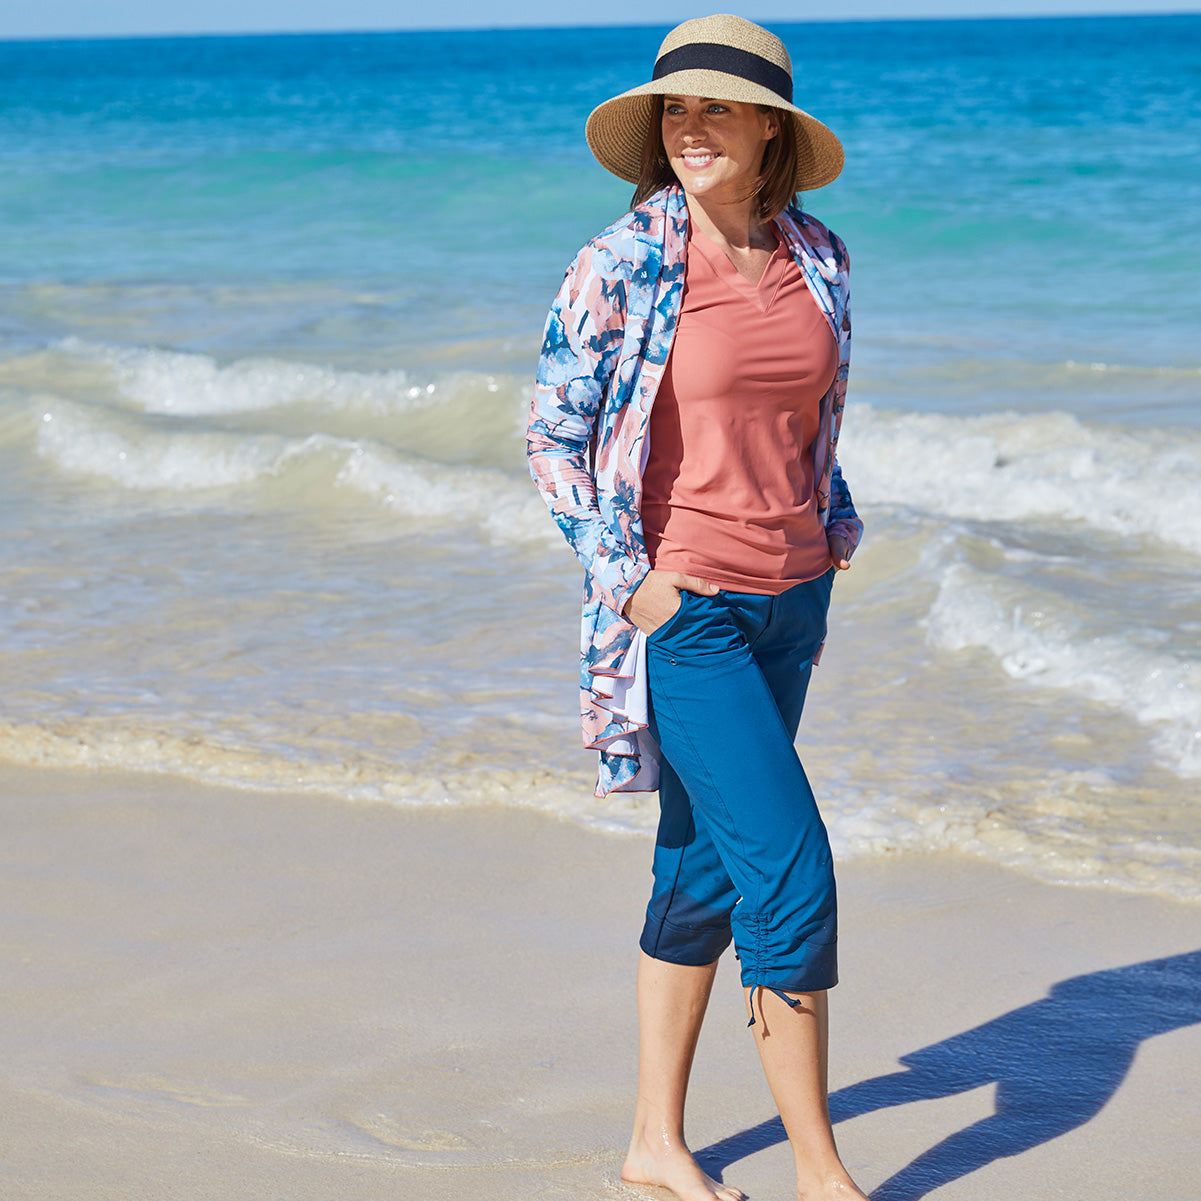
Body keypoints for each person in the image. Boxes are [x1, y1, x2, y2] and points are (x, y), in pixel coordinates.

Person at [527, 14, 867, 1201]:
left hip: (794, 603)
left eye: (717, 107)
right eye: (678, 109)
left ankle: (653, 1145)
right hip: (694, 612)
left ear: (770, 128)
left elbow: (801, 417)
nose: (691, 128)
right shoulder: (621, 262)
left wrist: (834, 518)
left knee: (705, 872)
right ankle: (821, 1173)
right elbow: (552, 440)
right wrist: (637, 588)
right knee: (790, 869)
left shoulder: (818, 252)